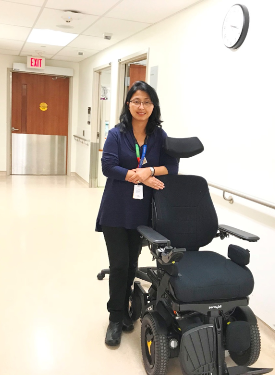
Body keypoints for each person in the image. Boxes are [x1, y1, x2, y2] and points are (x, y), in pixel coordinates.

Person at [96, 80, 179, 346]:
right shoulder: (117, 134)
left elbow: (172, 167)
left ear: (153, 106)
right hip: (116, 209)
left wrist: (150, 171)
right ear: (128, 104)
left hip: (142, 212)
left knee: (132, 263)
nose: (141, 106)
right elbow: (108, 167)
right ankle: (115, 317)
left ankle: (126, 306)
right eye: (136, 101)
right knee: (119, 264)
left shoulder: (159, 136)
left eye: (146, 102)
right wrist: (140, 177)